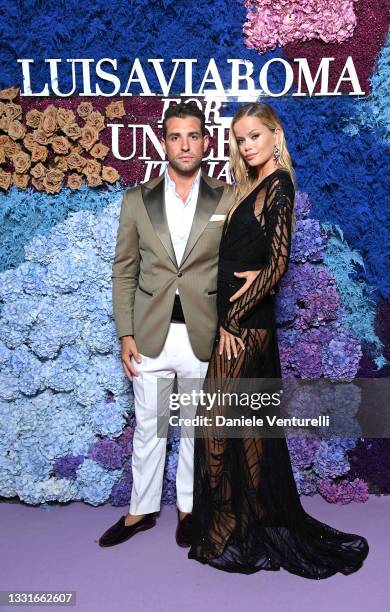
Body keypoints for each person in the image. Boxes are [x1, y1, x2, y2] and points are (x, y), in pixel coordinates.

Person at [188, 102, 369, 578]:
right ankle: (246, 517)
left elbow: (278, 262)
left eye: (254, 136)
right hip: (246, 323)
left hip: (243, 327)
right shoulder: (254, 187)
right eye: (240, 139)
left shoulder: (280, 185)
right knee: (245, 427)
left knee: (217, 427)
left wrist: (232, 320)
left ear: (275, 135)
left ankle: (229, 521)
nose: (247, 146)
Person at [99, 102, 234, 548]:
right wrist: (125, 333)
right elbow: (124, 270)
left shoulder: (226, 198)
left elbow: (236, 265)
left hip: (204, 334)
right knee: (151, 426)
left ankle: (189, 509)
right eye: (175, 136)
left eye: (193, 136)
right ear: (164, 142)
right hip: (151, 335)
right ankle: (140, 510)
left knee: (197, 429)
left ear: (205, 141)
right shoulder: (137, 200)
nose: (184, 144)